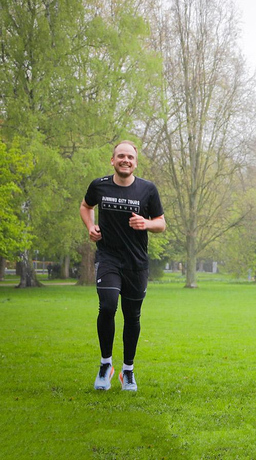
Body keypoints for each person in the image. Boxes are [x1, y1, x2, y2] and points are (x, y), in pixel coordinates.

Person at [80, 140, 166, 392]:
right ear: (112, 160)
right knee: (107, 306)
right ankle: (106, 365)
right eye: (120, 156)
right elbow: (86, 207)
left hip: (136, 262)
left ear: (135, 162)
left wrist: (146, 224)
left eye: (130, 157)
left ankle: (127, 370)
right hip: (108, 257)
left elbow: (161, 223)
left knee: (132, 316)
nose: (125, 160)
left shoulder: (148, 190)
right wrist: (90, 227)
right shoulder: (99, 185)